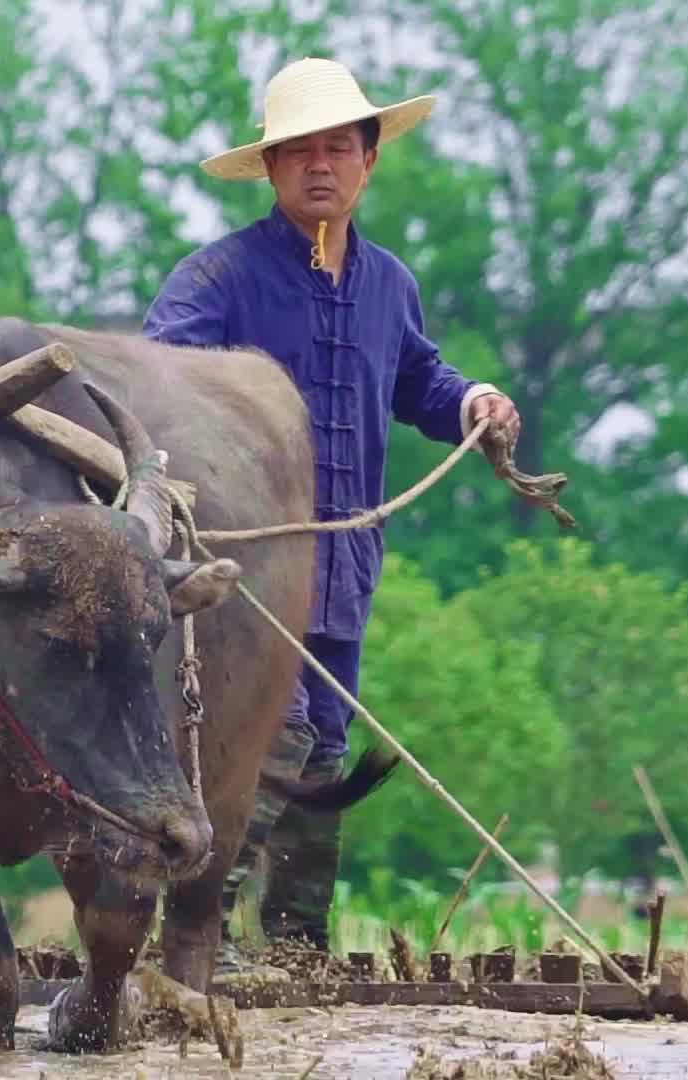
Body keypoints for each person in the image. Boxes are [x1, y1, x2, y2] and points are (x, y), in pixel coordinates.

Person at [140, 57, 522, 978]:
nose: (321, 166)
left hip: (349, 558)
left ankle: (299, 946)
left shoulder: (389, 283)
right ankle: (199, 933)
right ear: (270, 170)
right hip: (245, 559)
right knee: (274, 736)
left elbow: (418, 378)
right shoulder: (218, 278)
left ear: (368, 162)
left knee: (326, 739)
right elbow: (156, 381)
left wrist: (471, 398)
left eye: (338, 148)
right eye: (299, 151)